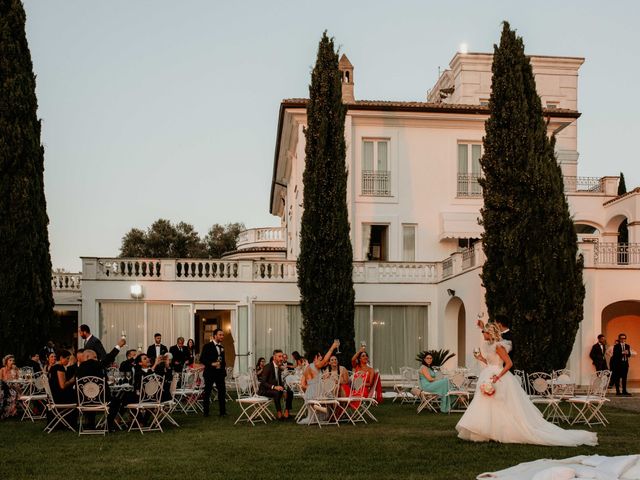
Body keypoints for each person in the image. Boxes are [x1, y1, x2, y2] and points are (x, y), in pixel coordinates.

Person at [456, 323, 597, 446]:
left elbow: (509, 363)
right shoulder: (487, 346)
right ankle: (484, 431)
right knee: (486, 403)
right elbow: (490, 362)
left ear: (490, 333)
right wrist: (481, 358)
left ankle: (503, 430)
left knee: (502, 404)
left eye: (484, 332)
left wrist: (497, 376)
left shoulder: (499, 347)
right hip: (488, 374)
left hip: (499, 376)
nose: (483, 334)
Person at [297, 342, 339, 424]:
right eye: (319, 355)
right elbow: (324, 361)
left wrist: (309, 390)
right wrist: (332, 347)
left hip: (310, 393)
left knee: (329, 396)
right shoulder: (315, 365)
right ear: (315, 357)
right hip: (317, 392)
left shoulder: (307, 368)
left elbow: (303, 384)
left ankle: (320, 409)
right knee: (332, 397)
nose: (321, 357)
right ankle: (333, 415)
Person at [259, 349, 294, 420]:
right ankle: (279, 413)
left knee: (290, 392)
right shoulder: (267, 367)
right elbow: (263, 382)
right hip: (264, 390)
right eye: (279, 356)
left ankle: (287, 412)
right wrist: (274, 387)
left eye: (282, 356)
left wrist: (284, 390)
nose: (282, 358)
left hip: (275, 389)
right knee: (277, 392)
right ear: (274, 357)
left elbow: (280, 382)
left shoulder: (278, 367)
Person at [199, 328, 227, 417]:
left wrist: (223, 368)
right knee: (207, 392)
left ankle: (223, 412)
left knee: (222, 392)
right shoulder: (207, 346)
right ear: (215, 336)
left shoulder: (222, 347)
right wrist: (212, 364)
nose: (222, 336)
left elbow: (223, 360)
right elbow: (202, 359)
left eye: (222, 335)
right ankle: (206, 412)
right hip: (210, 373)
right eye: (220, 335)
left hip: (220, 374)